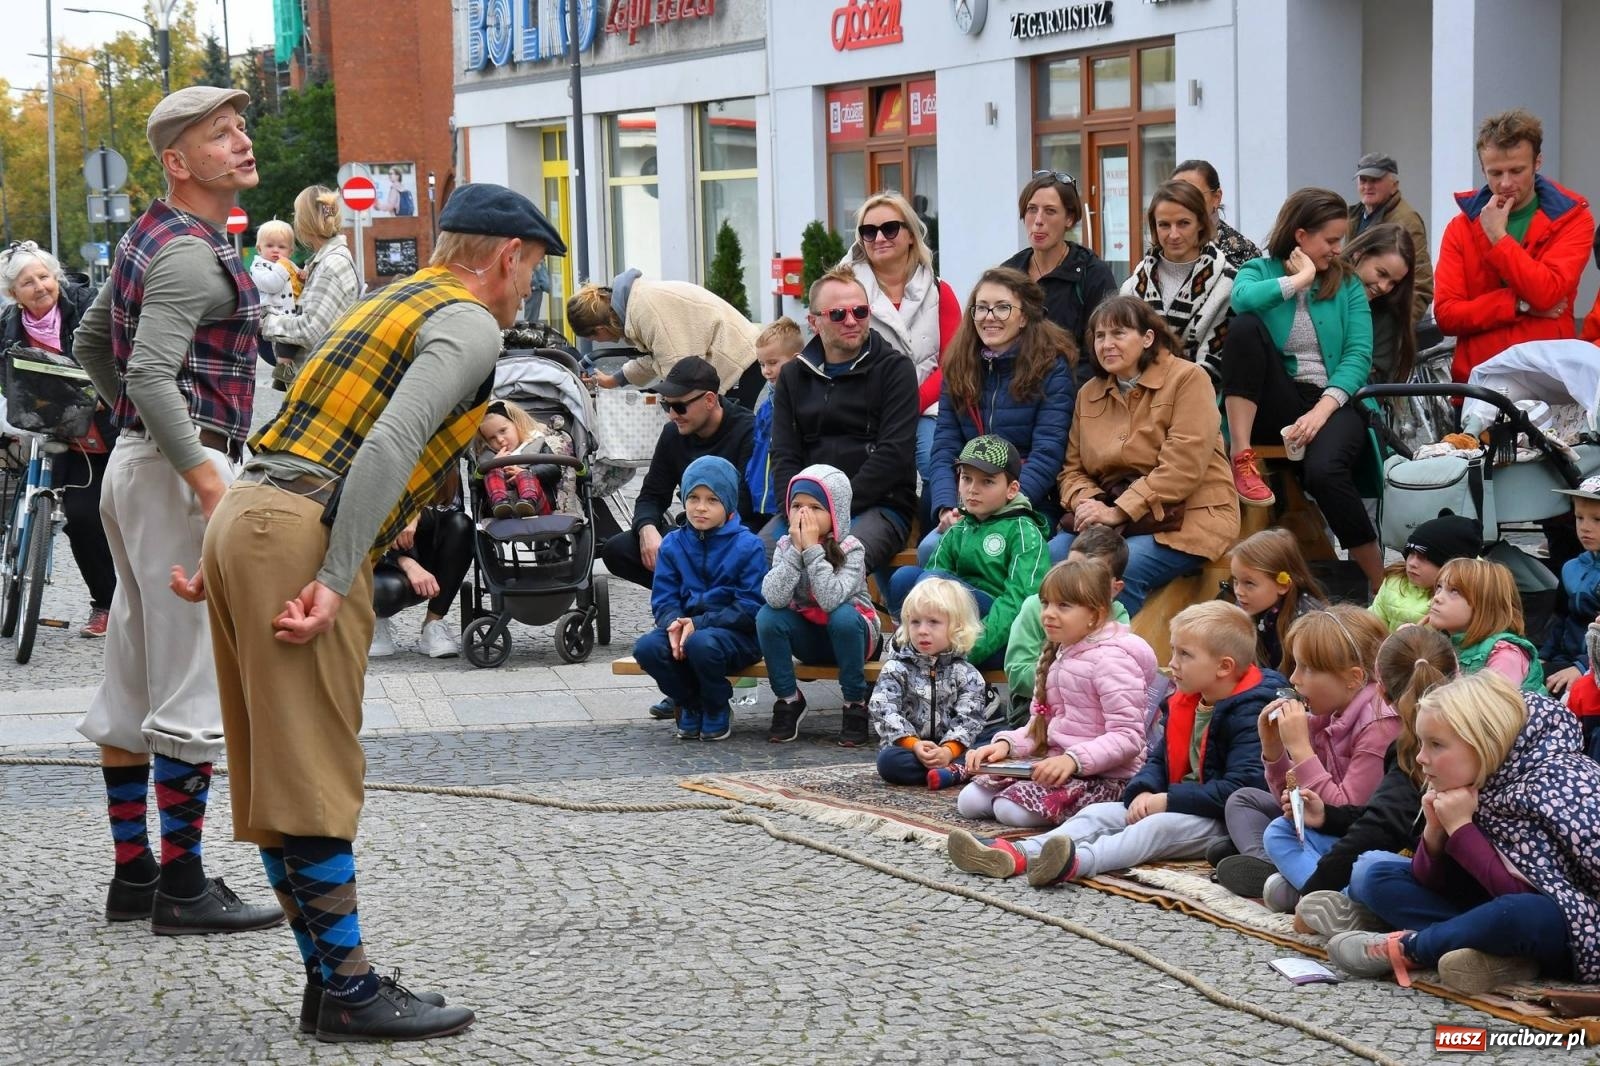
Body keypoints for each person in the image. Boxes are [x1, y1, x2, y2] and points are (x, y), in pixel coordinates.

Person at [194, 182, 566, 1041]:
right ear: (507, 257)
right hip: (302, 530)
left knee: (281, 774)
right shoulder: (470, 321)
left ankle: (330, 983)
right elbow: (393, 438)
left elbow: (313, 417)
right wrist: (334, 573)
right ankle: (351, 992)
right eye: (532, 270)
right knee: (314, 774)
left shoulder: (385, 299)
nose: (529, 289)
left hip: (251, 511)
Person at [70, 85, 282, 936]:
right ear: (177, 160)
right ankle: (185, 887)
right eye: (220, 134)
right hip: (176, 474)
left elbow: (92, 344)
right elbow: (151, 375)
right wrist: (205, 476)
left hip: (140, 467)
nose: (242, 142)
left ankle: (136, 876)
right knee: (191, 677)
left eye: (240, 128)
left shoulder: (147, 235)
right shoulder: (192, 254)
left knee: (132, 672)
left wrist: (139, 427)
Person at [945, 600, 1280, 884]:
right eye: (1174, 651)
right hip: (1178, 800)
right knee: (1096, 815)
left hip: (1223, 820)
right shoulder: (1188, 699)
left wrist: (1167, 799)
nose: (1173, 663)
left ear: (1224, 667)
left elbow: (1241, 788)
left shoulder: (1252, 712)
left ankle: (1075, 863)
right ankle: (1018, 853)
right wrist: (1145, 790)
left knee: (1152, 829)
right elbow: (1158, 759)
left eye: (1185, 655)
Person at [1330, 671, 1600, 995]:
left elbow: (1522, 894)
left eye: (1436, 745)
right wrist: (1435, 832)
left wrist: (1461, 828)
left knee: (1521, 914)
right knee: (1379, 875)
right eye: (1421, 743)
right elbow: (1432, 881)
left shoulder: (1559, 781)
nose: (1421, 757)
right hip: (1494, 909)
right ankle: (1491, 952)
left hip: (1576, 927)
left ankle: (1409, 947)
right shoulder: (1485, 778)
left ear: (1484, 742)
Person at [1219, 187, 1382, 591]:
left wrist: (1320, 412)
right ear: (1301, 236)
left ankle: (1380, 583)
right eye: (1331, 240)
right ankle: (1242, 453)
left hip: (1332, 401)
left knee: (1325, 472)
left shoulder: (1348, 285)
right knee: (1244, 328)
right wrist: (1300, 280)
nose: (1338, 249)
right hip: (1274, 400)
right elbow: (1241, 301)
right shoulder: (1259, 269)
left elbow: (1358, 356)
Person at [1052, 295, 1240, 614]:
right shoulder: (1089, 393)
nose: (1107, 344)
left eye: (1118, 333)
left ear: (1148, 338)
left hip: (1187, 516)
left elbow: (1182, 467)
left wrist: (1118, 511)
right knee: (1053, 559)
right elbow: (1072, 471)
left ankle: (1113, 646)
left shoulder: (1188, 378)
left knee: (1114, 571)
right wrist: (1090, 505)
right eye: (1100, 336)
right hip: (1112, 517)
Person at [950, 557, 1156, 827]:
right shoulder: (1057, 654)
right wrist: (1004, 746)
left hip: (1106, 776)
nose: (1048, 613)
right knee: (970, 801)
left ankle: (1100, 814)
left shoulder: (1113, 661)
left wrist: (1073, 760)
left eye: (1064, 605)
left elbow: (1128, 737)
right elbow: (1040, 727)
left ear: (1095, 614)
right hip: (1056, 764)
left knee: (1009, 810)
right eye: (1046, 603)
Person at [1214, 607, 1399, 902]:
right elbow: (1292, 800)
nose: (1294, 678)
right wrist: (1274, 749)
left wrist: (1300, 748)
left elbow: (1344, 812)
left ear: (1353, 678)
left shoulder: (1380, 724)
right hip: (1323, 826)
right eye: (1296, 665)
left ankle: (1311, 888)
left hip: (1361, 840)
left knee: (1278, 831)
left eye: (1307, 668)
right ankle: (1278, 871)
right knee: (1244, 800)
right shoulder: (1327, 712)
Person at [1293, 625, 1456, 935]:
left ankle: (1345, 905)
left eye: (1307, 668)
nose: (1293, 678)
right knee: (1281, 829)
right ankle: (1334, 902)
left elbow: (1380, 827)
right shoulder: (1408, 739)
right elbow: (1384, 815)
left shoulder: (1401, 739)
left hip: (1452, 876)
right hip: (1415, 855)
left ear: (1379, 690)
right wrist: (1327, 816)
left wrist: (1309, 894)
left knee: (1370, 868)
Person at [766, 268, 919, 573]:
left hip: (879, 504)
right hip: (806, 507)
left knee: (837, 567)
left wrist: (832, 510)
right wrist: (797, 509)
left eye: (860, 311)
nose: (851, 321)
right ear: (814, 322)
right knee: (758, 561)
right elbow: (784, 455)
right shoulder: (793, 376)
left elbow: (894, 455)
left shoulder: (895, 370)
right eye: (837, 314)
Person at [0, 241, 117, 637]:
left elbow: (120, 350)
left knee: (132, 514)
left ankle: (152, 603)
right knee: (81, 518)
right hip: (59, 434)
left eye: (44, 277)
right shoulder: (8, 327)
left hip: (111, 425)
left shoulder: (87, 306)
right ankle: (105, 604)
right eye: (27, 282)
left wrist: (105, 394)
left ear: (56, 278)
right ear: (13, 293)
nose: (39, 287)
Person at [1434, 109, 1595, 384]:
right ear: (1482, 169)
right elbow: (1447, 315)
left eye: (1517, 171)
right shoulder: (1460, 227)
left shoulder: (1573, 219)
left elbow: (1546, 294)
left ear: (1537, 162)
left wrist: (1498, 237)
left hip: (1547, 381)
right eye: (1495, 173)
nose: (1506, 183)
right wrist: (1518, 304)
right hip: (1479, 381)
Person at [924, 267, 1074, 543]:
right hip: (970, 501)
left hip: (1027, 503)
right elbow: (945, 446)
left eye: (1002, 308)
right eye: (981, 308)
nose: (989, 317)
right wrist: (946, 505)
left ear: (1024, 316)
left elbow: (1048, 453)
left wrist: (1003, 506)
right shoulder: (958, 366)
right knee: (929, 549)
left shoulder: (1051, 369)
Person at [632, 456, 766, 742]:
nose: (700, 507)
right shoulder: (673, 544)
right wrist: (674, 624)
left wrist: (698, 624)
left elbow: (751, 607)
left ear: (728, 503)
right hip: (686, 628)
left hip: (736, 635)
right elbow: (664, 599)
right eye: (693, 498)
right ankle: (691, 702)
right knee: (647, 648)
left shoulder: (749, 545)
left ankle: (717, 705)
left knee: (701, 643)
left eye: (712, 500)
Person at [888, 436, 1049, 670]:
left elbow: (1018, 604)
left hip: (997, 641)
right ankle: (908, 651)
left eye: (987, 482)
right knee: (904, 578)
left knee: (934, 579)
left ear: (1012, 489)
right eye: (966, 478)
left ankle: (924, 661)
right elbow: (930, 591)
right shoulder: (960, 526)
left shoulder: (1025, 532)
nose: (973, 489)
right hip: (953, 631)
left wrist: (968, 651)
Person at [841, 191, 961, 498]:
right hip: (862, 411)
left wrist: (911, 404)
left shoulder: (940, 291)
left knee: (935, 466)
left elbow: (954, 363)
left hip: (928, 408)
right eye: (869, 231)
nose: (879, 238)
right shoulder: (844, 294)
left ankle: (939, 527)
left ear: (910, 234)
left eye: (890, 228)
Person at [600, 355, 755, 590]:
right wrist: (647, 529)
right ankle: (688, 598)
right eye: (666, 405)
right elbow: (652, 495)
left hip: (735, 534)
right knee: (617, 549)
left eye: (680, 407)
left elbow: (747, 505)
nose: (672, 415)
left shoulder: (748, 431)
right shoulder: (673, 434)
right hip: (692, 531)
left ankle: (703, 598)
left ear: (710, 400)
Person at [758, 465, 882, 747]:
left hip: (854, 637)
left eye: (815, 507)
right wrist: (796, 552)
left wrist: (813, 550)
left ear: (835, 512)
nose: (804, 514)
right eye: (797, 506)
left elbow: (830, 599)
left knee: (842, 615)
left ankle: (855, 702)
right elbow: (774, 597)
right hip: (811, 637)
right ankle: (789, 699)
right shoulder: (785, 545)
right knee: (768, 616)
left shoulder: (851, 548)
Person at [570, 271, 763, 407]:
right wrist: (613, 380)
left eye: (593, 337)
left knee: (728, 435)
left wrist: (669, 404)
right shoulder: (635, 304)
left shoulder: (644, 311)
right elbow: (658, 358)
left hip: (737, 358)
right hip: (732, 354)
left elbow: (679, 369)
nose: (598, 342)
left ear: (600, 329)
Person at [869, 577, 991, 786]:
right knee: (888, 761)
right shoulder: (896, 668)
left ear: (957, 627)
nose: (922, 630)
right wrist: (914, 744)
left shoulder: (967, 673)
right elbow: (883, 710)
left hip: (954, 748)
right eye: (915, 622)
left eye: (933, 622)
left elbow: (970, 717)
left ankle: (952, 768)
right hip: (911, 748)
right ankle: (953, 772)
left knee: (987, 745)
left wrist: (949, 750)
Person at [1004, 525, 1130, 726]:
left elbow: (1119, 676)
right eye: (1070, 567)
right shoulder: (1036, 606)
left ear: (1114, 588)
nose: (1073, 579)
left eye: (1089, 576)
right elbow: (1017, 673)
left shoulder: (1117, 616)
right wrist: (1067, 681)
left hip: (1093, 708)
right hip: (1036, 705)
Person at [999, 171, 1116, 375]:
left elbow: (1103, 350)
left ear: (1069, 218)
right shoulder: (1009, 273)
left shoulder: (1093, 274)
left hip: (1074, 387)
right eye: (1032, 209)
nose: (1038, 220)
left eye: (1050, 211)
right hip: (1015, 385)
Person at [1121, 179, 1238, 381]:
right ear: (1154, 227)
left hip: (1200, 392)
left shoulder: (1227, 283)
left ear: (1201, 223)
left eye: (1183, 223)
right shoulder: (1131, 287)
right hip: (1135, 391)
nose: (1173, 234)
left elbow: (1214, 360)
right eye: (1164, 225)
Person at [259, 185, 360, 393]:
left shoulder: (331, 265)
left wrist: (264, 322)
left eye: (297, 215)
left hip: (321, 387)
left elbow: (311, 330)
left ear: (304, 221)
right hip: (320, 384)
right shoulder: (325, 261)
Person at [369, 482, 474, 660]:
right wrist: (403, 561)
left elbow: (452, 508)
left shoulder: (443, 465)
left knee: (461, 524)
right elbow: (353, 524)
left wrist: (415, 515)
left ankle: (433, 623)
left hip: (425, 556)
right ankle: (374, 620)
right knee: (388, 588)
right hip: (380, 562)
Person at [1427, 557, 1546, 692]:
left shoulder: (1505, 655)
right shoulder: (1448, 643)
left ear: (1485, 603)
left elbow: (1490, 704)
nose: (1437, 597)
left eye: (1454, 591)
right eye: (1439, 587)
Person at [1226, 527, 1327, 676]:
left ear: (1282, 585)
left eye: (1249, 583)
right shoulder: (1244, 609)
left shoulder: (1308, 623)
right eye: (1235, 581)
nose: (1238, 591)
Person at [1347, 154, 1433, 325]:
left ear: (1394, 185)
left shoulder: (1406, 221)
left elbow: (1421, 284)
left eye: (1375, 180)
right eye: (1363, 180)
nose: (1367, 186)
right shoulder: (1353, 215)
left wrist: (1397, 331)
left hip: (1381, 322)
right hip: (1356, 319)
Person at [1371, 514, 1480, 633]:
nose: (1412, 563)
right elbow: (1372, 626)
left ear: (1450, 566)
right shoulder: (1394, 581)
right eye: (1411, 553)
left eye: (1424, 557)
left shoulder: (1461, 597)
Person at [1542, 475, 1600, 696]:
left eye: (1597, 520)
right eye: (1579, 517)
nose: (1585, 527)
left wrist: (1582, 666)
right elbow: (1561, 618)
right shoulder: (1571, 568)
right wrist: (1544, 655)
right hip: (1565, 658)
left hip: (1593, 667)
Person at [1340, 223, 1417, 386]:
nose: (1384, 287)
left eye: (1393, 283)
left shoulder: (1388, 317)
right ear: (1358, 253)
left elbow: (1375, 381)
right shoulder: (1321, 289)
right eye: (1381, 273)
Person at [745, 317, 803, 528]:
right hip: (759, 497)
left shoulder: (802, 403)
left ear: (795, 360)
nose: (765, 371)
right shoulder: (765, 406)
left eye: (772, 363)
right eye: (761, 364)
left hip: (785, 499)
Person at [474, 399, 573, 520]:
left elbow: (554, 470)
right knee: (491, 471)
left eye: (503, 431)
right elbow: (476, 484)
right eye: (492, 438)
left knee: (525, 474)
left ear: (517, 424)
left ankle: (527, 503)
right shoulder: (488, 457)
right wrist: (494, 464)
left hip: (538, 506)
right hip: (500, 512)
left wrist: (529, 471)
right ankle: (500, 503)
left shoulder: (536, 443)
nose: (500, 440)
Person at [1171, 159, 1262, 269]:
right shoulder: (1162, 246)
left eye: (1194, 195)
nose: (1183, 203)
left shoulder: (1243, 253)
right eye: (1175, 197)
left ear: (1216, 198)